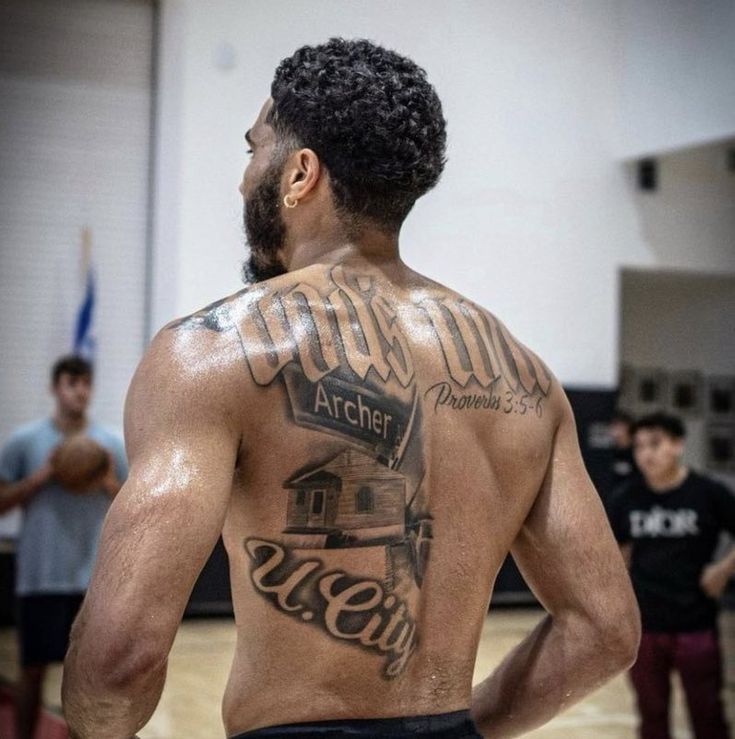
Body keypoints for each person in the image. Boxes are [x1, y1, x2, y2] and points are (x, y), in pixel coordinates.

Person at [62, 39, 639, 739]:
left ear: (300, 172)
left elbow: (119, 656)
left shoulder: (210, 351)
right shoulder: (523, 375)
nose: (245, 178)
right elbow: (605, 630)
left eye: (255, 150)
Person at [0, 354, 127, 739]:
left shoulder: (108, 446)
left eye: (86, 383)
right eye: (72, 383)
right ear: (56, 388)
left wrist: (105, 479)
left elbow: (129, 506)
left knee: (86, 678)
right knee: (33, 669)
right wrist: (43, 476)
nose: (80, 392)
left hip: (92, 579)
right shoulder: (25, 441)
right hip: (40, 576)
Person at [608, 412, 735, 739]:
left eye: (655, 443)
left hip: (695, 622)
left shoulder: (708, 493)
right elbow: (616, 554)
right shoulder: (626, 497)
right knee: (651, 717)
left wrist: (722, 570)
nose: (646, 453)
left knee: (708, 714)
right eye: (638, 446)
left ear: (677, 444)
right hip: (645, 627)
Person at [609, 410, 638, 493]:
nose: (615, 430)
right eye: (614, 426)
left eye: (619, 426)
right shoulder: (608, 452)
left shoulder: (637, 452)